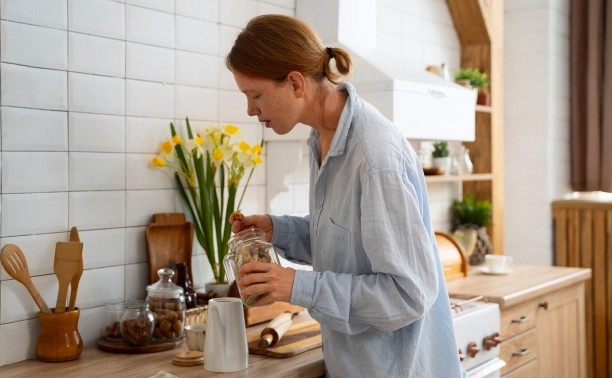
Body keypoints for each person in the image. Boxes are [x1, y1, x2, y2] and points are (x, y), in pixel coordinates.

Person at [226, 14, 465, 378]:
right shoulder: (323, 139)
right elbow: (350, 244)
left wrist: (295, 285)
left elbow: (406, 295)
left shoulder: (373, 157)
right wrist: (279, 230)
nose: (250, 110)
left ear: (294, 83)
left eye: (255, 95)